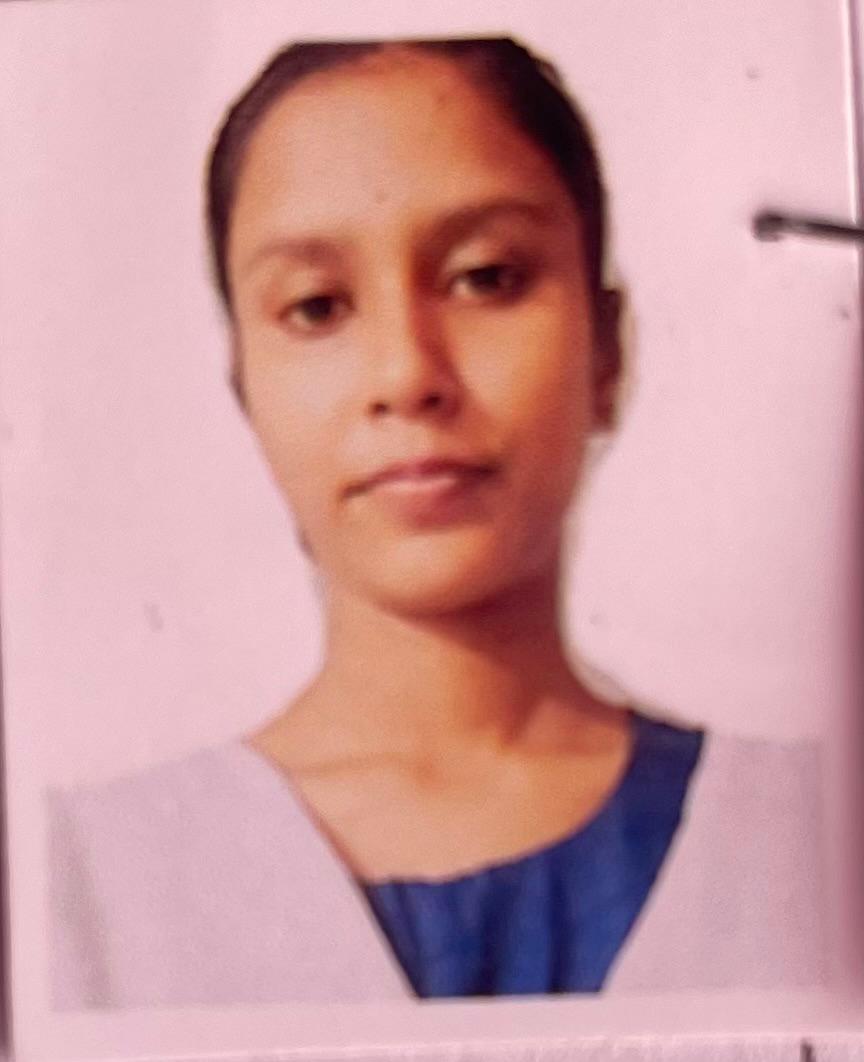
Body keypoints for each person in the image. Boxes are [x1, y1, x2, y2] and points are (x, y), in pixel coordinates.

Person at [48, 35, 827, 1010]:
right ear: (245, 386)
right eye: (317, 306)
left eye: (486, 277)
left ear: (608, 350)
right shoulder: (80, 889)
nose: (407, 373)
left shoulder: (820, 838)